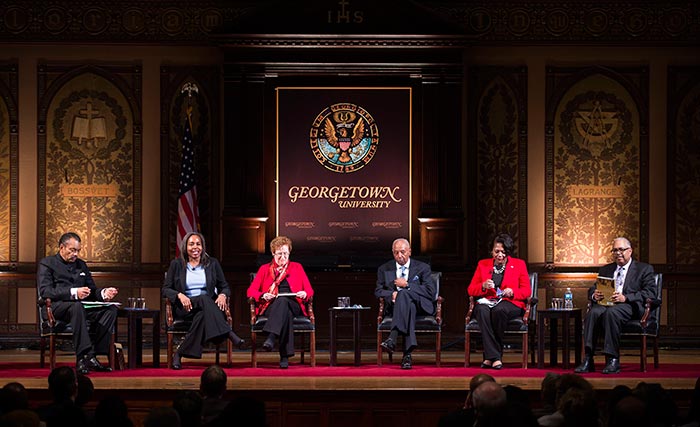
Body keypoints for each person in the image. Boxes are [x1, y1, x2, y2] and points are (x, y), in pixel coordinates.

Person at [37, 232, 117, 375]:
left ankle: (92, 355)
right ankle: (82, 357)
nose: (76, 254)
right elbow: (46, 291)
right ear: (62, 247)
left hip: (79, 309)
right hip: (55, 307)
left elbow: (91, 291)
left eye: (78, 251)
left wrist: (104, 293)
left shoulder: (81, 265)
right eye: (72, 250)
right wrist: (74, 292)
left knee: (110, 310)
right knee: (77, 306)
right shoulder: (47, 263)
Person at [163, 231, 245, 370]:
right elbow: (165, 289)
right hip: (185, 308)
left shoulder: (212, 263)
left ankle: (178, 354)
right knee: (203, 298)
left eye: (198, 244)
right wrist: (179, 295)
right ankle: (228, 333)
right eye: (191, 244)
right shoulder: (176, 264)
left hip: (206, 309)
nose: (195, 247)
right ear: (185, 247)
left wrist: (223, 295)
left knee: (201, 314)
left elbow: (224, 286)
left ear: (203, 247)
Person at [575, 237, 657, 374]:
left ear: (630, 251)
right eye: (615, 250)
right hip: (607, 303)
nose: (618, 253)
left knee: (612, 313)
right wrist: (594, 295)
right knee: (593, 313)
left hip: (629, 305)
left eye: (621, 249)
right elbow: (594, 287)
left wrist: (626, 297)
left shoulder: (643, 269)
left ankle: (612, 359)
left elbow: (650, 293)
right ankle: (588, 359)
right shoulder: (606, 269)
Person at [247, 236, 314, 369]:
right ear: (273, 253)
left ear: (289, 253)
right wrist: (262, 295)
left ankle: (271, 337)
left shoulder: (297, 267)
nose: (283, 257)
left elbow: (310, 290)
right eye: (279, 254)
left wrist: (305, 293)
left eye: (285, 253)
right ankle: (284, 356)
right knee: (285, 310)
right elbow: (250, 291)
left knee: (284, 301)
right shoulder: (264, 269)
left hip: (295, 303)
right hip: (271, 305)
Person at [467, 233, 531, 369]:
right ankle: (495, 357)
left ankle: (489, 357)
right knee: (481, 310)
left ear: (508, 252)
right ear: (492, 251)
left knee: (499, 310)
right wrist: (483, 286)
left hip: (511, 303)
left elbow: (527, 291)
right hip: (488, 301)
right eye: (497, 251)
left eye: (503, 252)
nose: (500, 255)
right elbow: (471, 289)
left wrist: (512, 292)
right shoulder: (483, 265)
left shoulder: (519, 265)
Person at [375, 238, 435, 370]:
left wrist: (407, 285)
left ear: (409, 252)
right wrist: (391, 295)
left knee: (404, 294)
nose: (399, 256)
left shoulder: (422, 268)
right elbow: (378, 291)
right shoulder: (384, 269)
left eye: (402, 252)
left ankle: (392, 337)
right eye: (396, 253)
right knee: (409, 307)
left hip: (421, 306)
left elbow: (430, 292)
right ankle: (407, 355)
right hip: (397, 307)